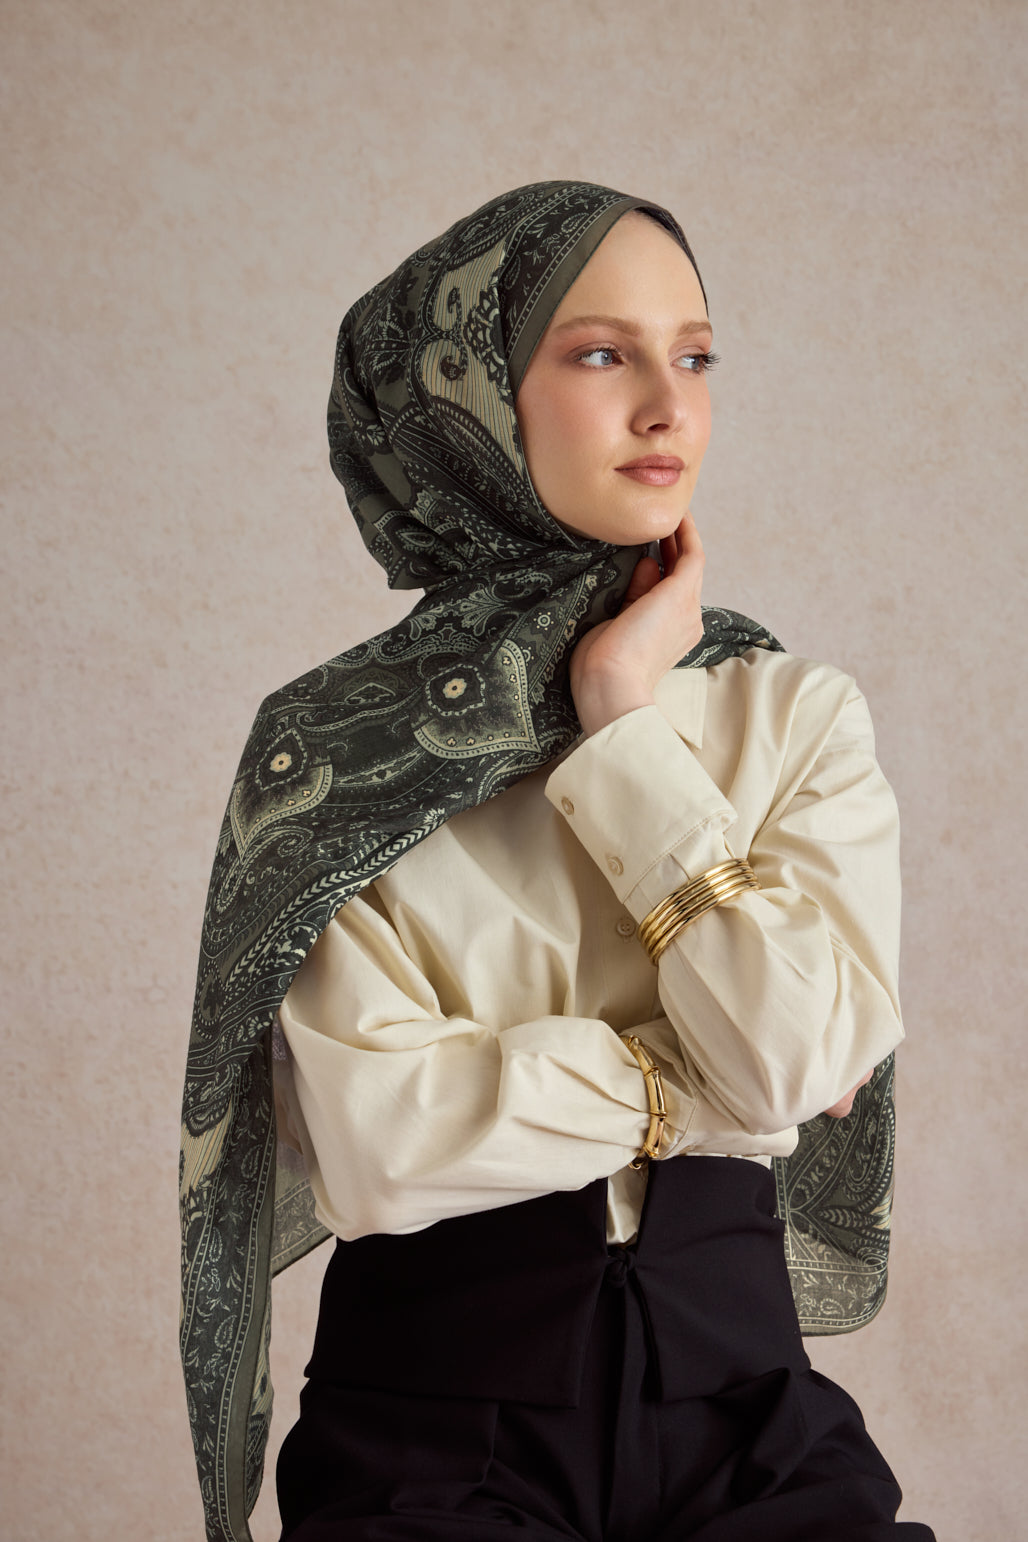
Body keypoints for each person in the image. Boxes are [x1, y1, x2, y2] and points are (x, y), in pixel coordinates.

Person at [180, 181, 935, 1542]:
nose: (667, 407)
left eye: (693, 355)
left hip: (749, 1418)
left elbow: (797, 1064)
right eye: (600, 354)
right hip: (427, 1438)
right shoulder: (336, 757)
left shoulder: (793, 715)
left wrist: (624, 722)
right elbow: (384, 1148)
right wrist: (716, 1088)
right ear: (463, 403)